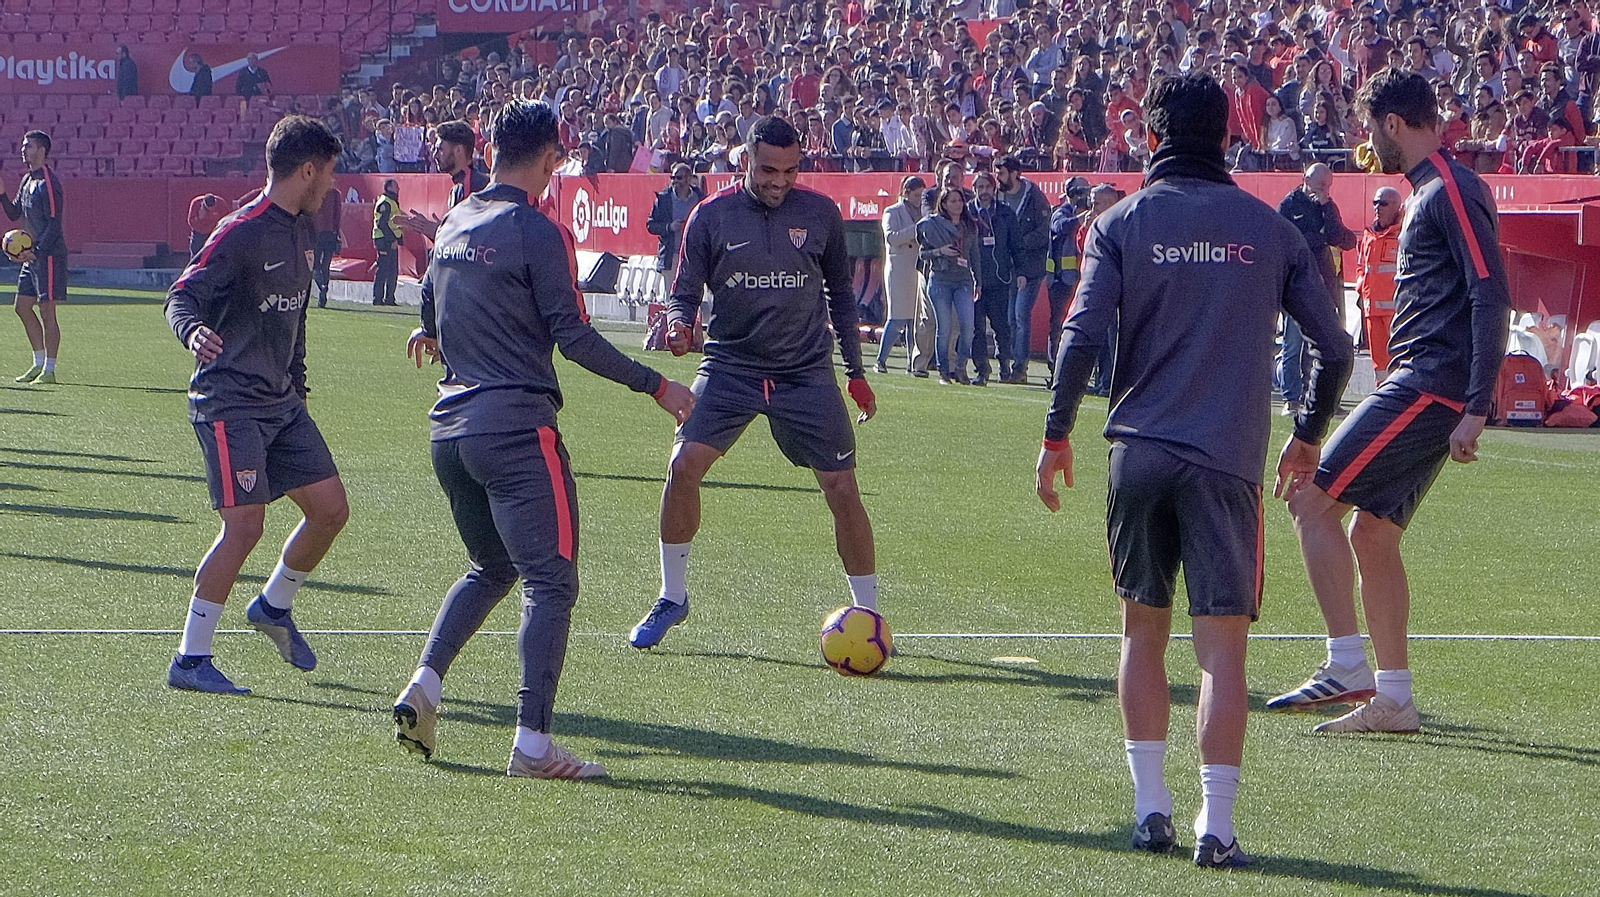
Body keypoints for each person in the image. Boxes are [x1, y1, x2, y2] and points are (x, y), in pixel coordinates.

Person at [1035, 73, 1353, 869]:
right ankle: (1217, 825)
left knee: (1142, 632)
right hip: (1226, 464)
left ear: (1150, 134)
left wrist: (1055, 434)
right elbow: (1336, 346)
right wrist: (1309, 432)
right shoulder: (1270, 228)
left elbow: (1078, 339)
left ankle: (1150, 811)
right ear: (1228, 137)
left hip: (1137, 451)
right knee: (1221, 653)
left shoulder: (1119, 221)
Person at [393, 99, 694, 777]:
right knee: (552, 580)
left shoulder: (456, 220)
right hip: (516, 428)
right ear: (553, 156)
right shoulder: (539, 229)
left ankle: (427, 682)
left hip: (450, 429)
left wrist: (430, 329)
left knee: (492, 566)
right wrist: (658, 386)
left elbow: (432, 309)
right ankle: (532, 743)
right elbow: (575, 336)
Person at [1271, 70, 1511, 734]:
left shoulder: (1450, 190)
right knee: (1370, 533)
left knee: (1311, 497)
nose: (1367, 140)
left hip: (1429, 382)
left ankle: (1347, 662)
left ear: (1395, 124)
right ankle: (1395, 698)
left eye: (1371, 127)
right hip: (1421, 382)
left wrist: (1475, 404)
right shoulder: (1430, 192)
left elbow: (1491, 292)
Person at [626, 115, 881, 650]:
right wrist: (678, 323)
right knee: (682, 465)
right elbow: (684, 291)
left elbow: (841, 295)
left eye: (790, 170)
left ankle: (870, 616)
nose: (780, 180)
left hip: (806, 372)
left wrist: (856, 374)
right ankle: (673, 597)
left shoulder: (821, 214)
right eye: (768, 169)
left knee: (842, 488)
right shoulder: (710, 216)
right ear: (745, 160)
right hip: (730, 367)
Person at [162, 116, 350, 695]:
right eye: (329, 172)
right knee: (245, 527)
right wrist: (192, 330)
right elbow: (181, 294)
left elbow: (294, 317)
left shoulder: (305, 227)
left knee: (330, 510)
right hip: (229, 403)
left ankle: (272, 606)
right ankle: (191, 660)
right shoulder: (238, 231)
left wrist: (297, 377)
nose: (332, 184)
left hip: (281, 402)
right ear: (307, 169)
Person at [1276, 163, 1357, 415]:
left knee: (1326, 344)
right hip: (1295, 285)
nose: (1323, 190)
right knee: (1293, 343)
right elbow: (1290, 241)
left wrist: (1325, 208)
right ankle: (1291, 398)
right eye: (1320, 185)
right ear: (1306, 179)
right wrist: (1318, 237)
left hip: (1324, 285)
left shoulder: (1326, 206)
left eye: (1327, 186)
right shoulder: (1289, 205)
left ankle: (1321, 399)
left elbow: (1341, 238)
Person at [3, 130, 66, 385]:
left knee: (47, 311)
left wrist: (37, 252)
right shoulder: (28, 179)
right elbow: (13, 213)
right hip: (32, 257)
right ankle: (37, 363)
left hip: (48, 255)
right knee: (21, 307)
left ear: (41, 150)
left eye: (28, 145)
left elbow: (54, 223)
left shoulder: (49, 183)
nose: (23, 149)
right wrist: (1, 194)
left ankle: (49, 370)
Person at [995, 156, 1051, 384]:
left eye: (1002, 172)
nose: (998, 177)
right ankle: (1007, 366)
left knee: (1020, 316)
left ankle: (1020, 368)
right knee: (1008, 318)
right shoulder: (998, 196)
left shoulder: (1034, 197)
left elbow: (1043, 230)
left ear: (1015, 173)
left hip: (1029, 267)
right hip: (1006, 268)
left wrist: (1019, 243)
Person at [919, 186, 981, 386]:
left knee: (968, 326)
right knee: (944, 328)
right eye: (953, 201)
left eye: (960, 201)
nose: (958, 205)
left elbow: (975, 255)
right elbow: (922, 254)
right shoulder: (932, 225)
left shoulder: (969, 226)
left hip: (963, 280)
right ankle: (943, 371)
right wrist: (940, 251)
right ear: (943, 204)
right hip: (940, 279)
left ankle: (961, 367)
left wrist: (978, 281)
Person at [968, 169, 1016, 387]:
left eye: (987, 187)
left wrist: (1021, 272)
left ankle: (1004, 365)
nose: (984, 192)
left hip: (1000, 279)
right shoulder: (967, 212)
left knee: (1001, 326)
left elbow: (1016, 245)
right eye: (980, 187)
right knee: (976, 328)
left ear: (994, 188)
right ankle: (981, 370)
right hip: (974, 280)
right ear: (974, 189)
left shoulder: (1005, 213)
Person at [407, 121, 492, 243]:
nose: (435, 155)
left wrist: (439, 231)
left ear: (458, 150)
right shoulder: (458, 187)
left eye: (440, 149)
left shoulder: (476, 185)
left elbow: (471, 241)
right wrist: (438, 229)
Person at [876, 176, 923, 374]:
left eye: (921, 195)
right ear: (906, 192)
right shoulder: (892, 211)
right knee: (896, 318)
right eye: (916, 194)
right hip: (898, 269)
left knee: (915, 319)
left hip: (917, 268)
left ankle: (912, 362)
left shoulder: (924, 212)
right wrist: (915, 230)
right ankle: (881, 360)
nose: (919, 199)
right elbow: (891, 237)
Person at [1355, 186, 1403, 375]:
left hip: (1395, 312)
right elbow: (1361, 267)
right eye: (1375, 202)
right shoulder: (1368, 235)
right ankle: (1380, 393)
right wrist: (1361, 289)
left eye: (1383, 203)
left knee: (1398, 359)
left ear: (1397, 207)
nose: (1377, 207)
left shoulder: (1403, 234)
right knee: (1379, 364)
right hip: (1371, 310)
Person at [645, 163, 703, 282]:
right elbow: (651, 225)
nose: (675, 181)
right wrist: (669, 227)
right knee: (670, 297)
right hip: (671, 256)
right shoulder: (664, 199)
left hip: (692, 256)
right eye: (673, 178)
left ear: (688, 179)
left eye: (679, 178)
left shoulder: (700, 199)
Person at [372, 179, 403, 306]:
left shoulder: (391, 201)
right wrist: (392, 239)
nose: (398, 189)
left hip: (389, 239)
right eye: (396, 186)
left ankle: (389, 298)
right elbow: (381, 223)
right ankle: (378, 299)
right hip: (384, 240)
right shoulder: (385, 202)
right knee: (383, 271)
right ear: (389, 187)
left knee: (392, 271)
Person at [312, 186, 341, 307]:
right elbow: (337, 214)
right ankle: (324, 289)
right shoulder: (335, 193)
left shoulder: (313, 190)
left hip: (316, 232)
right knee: (326, 264)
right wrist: (336, 232)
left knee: (315, 264)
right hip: (329, 232)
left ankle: (321, 285)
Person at [186, 193, 226, 261]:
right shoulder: (196, 203)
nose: (210, 210)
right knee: (196, 254)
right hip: (199, 233)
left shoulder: (221, 203)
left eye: (213, 208)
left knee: (216, 254)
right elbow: (191, 221)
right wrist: (200, 218)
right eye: (208, 209)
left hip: (215, 232)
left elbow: (226, 219)